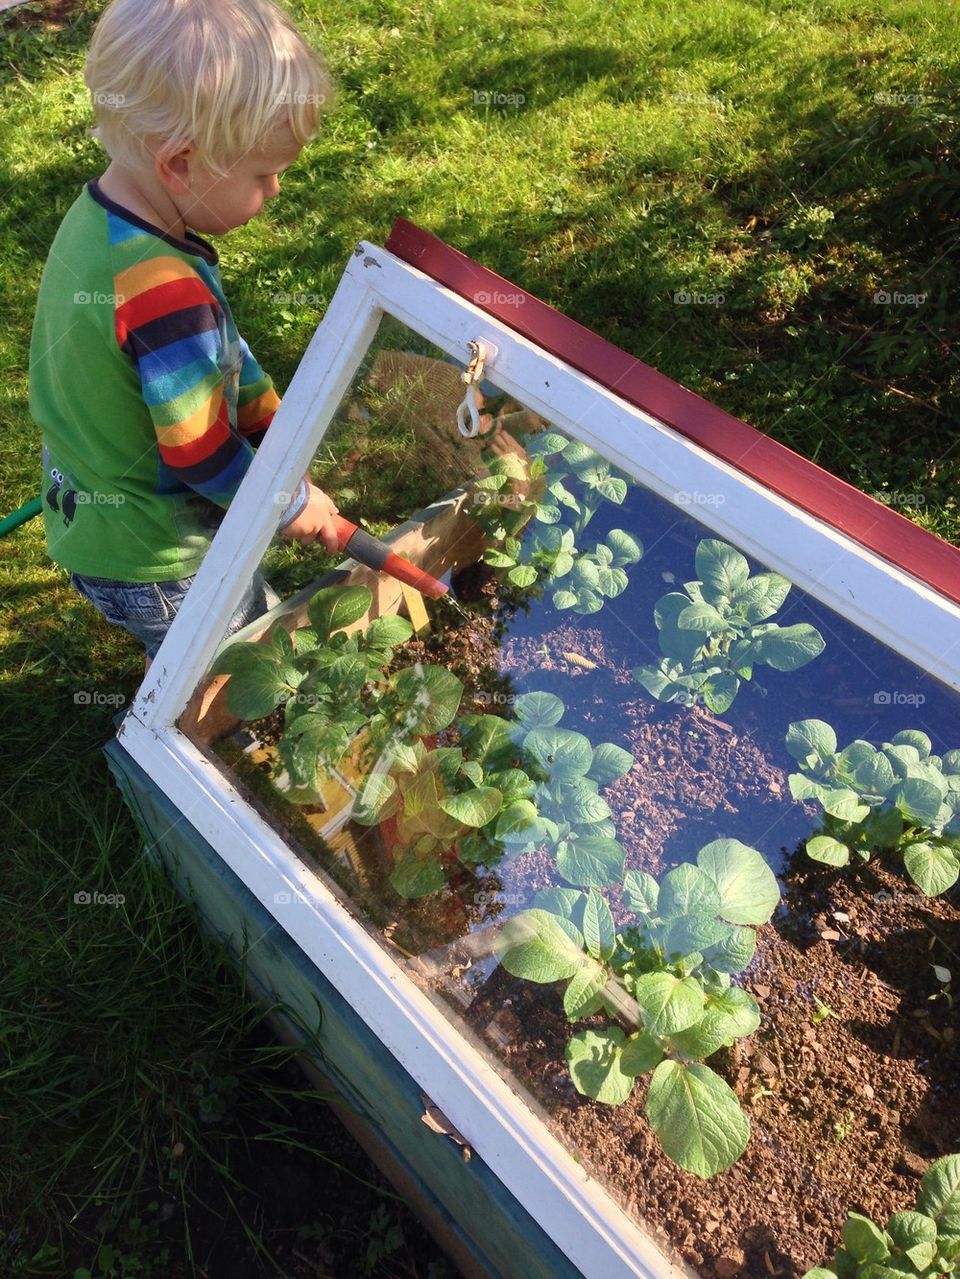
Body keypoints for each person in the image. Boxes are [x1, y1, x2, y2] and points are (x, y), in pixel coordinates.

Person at [29, 0, 341, 671]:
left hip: (90, 512)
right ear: (180, 165)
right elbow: (200, 453)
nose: (278, 189)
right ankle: (179, 760)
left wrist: (272, 427)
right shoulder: (163, 292)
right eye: (263, 173)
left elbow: (216, 358)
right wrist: (288, 504)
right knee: (240, 669)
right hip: (161, 560)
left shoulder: (99, 222)